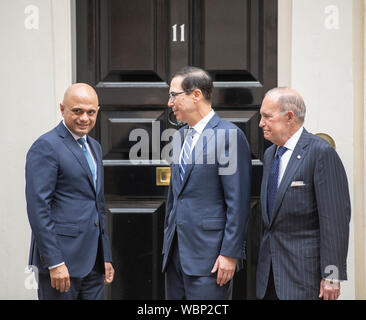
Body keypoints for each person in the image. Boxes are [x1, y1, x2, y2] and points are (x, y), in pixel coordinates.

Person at [162, 66, 252, 300]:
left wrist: (230, 254)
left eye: (174, 95)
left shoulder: (229, 136)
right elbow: (176, 196)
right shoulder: (180, 136)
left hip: (210, 260)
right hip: (175, 257)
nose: (170, 103)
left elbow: (238, 202)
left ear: (196, 95)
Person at [256, 87, 351, 300]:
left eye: (267, 116)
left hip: (304, 279)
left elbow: (335, 221)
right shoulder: (271, 154)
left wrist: (332, 276)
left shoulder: (320, 153)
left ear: (289, 117)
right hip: (269, 277)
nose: (261, 123)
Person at [25, 83, 114, 300]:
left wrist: (105, 255)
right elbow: (38, 208)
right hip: (61, 264)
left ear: (97, 111)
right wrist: (54, 262)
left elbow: (98, 205)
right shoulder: (46, 146)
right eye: (77, 111)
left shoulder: (94, 147)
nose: (85, 118)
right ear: (62, 108)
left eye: (90, 112)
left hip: (94, 264)